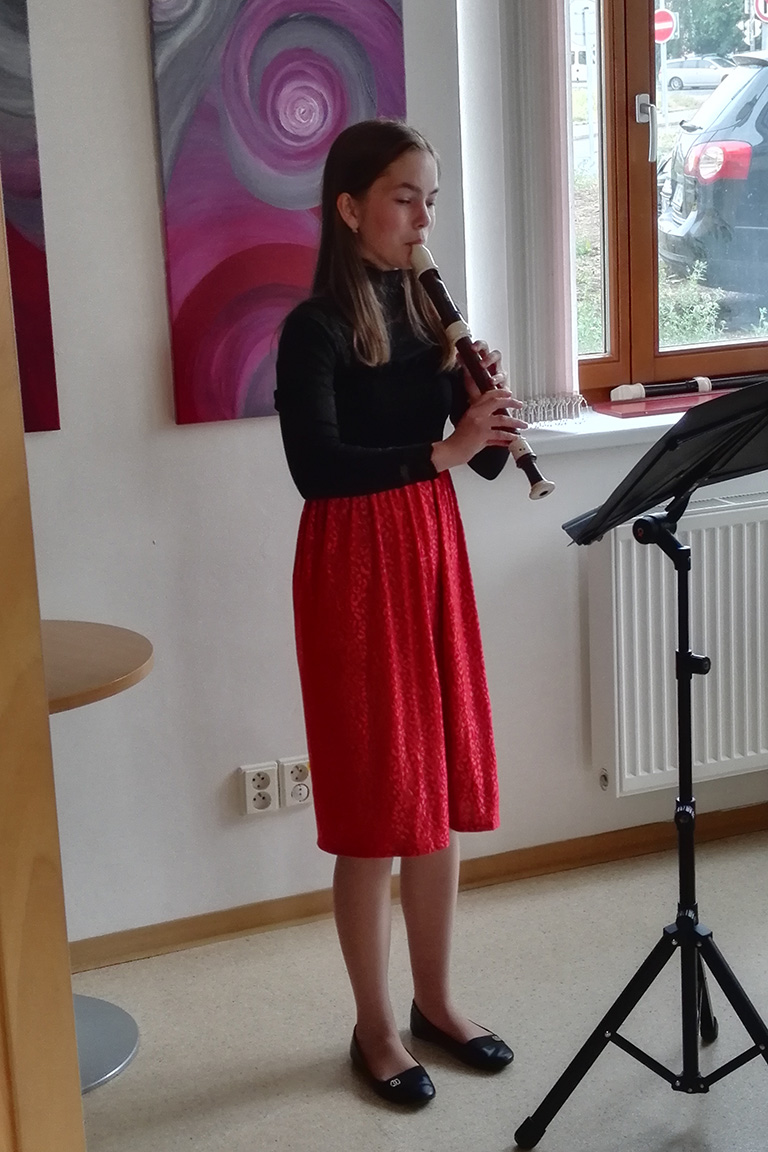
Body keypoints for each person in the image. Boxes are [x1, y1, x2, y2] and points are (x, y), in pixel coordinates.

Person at [275, 119, 524, 1107]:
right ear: (350, 208)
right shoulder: (313, 327)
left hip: (426, 549)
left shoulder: (426, 312)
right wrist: (443, 451)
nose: (424, 218)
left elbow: (485, 461)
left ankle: (436, 1004)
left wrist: (484, 411)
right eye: (405, 197)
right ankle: (373, 1027)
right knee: (375, 807)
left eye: (432, 199)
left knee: (435, 791)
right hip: (353, 564)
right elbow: (316, 468)